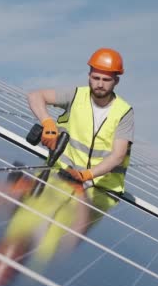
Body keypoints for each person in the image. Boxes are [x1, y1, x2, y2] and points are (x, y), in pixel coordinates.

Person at [26, 48, 134, 194]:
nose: (100, 84)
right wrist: (47, 123)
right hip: (62, 177)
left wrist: (86, 175)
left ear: (116, 81)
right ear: (89, 76)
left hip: (101, 190)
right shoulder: (75, 96)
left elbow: (118, 155)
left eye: (106, 79)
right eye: (96, 78)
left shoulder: (124, 112)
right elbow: (35, 96)